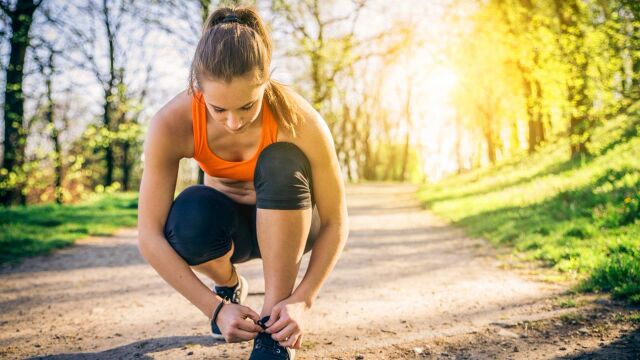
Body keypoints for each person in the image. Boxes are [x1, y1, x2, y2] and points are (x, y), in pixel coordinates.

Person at [136, 6, 348, 360]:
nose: (233, 122)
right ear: (197, 86)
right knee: (190, 213)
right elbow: (149, 235)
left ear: (266, 80)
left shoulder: (300, 120)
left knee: (281, 160)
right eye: (218, 109)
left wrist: (303, 300)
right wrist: (215, 308)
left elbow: (337, 221)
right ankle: (231, 286)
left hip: (295, 225)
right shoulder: (171, 124)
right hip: (230, 234)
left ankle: (273, 330)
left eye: (248, 106)